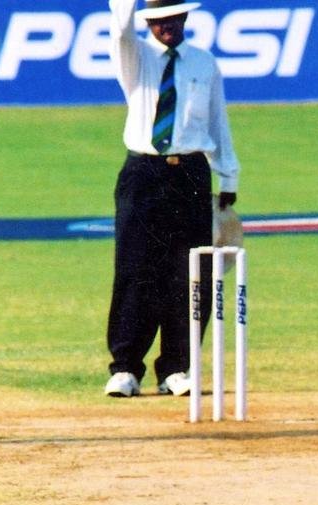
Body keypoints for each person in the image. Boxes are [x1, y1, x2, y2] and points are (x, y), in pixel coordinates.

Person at [104, 0, 239, 397]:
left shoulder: (204, 63)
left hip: (191, 173)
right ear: (149, 23)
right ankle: (125, 368)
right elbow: (120, 30)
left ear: (184, 18)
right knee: (135, 269)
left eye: (173, 18)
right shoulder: (135, 56)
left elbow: (218, 121)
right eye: (158, 20)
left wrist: (228, 175)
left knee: (190, 272)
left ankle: (177, 367)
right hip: (143, 172)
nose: (167, 26)